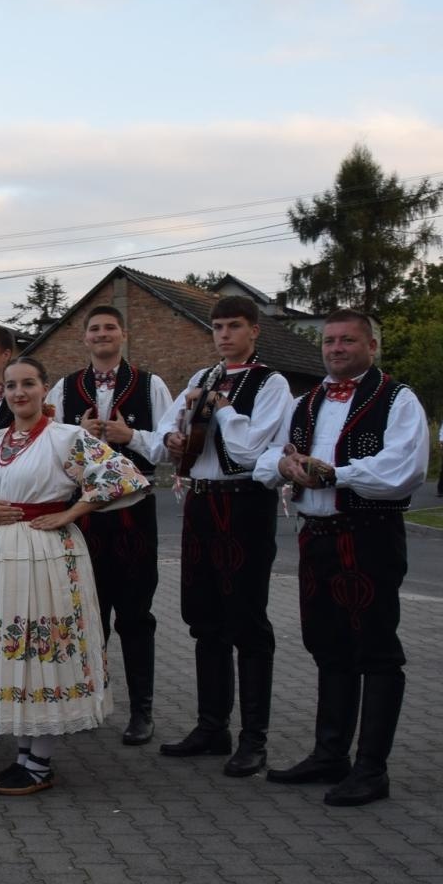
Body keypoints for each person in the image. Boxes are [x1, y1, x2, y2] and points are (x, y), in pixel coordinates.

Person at [255, 309, 428, 806]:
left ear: (371, 346)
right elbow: (265, 457)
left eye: (347, 341)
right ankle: (331, 754)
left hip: (370, 532)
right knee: (327, 644)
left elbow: (405, 467)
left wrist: (336, 474)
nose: (335, 349)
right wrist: (285, 463)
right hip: (318, 535)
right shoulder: (305, 400)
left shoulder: (398, 398)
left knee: (374, 647)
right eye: (329, 341)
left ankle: (373, 769)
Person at [0, 357, 149, 795]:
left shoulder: (67, 438)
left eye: (28, 384)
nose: (19, 393)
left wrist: (71, 511)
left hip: (45, 551)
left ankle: (39, 761)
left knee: (39, 649)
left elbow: (124, 477)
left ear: (45, 390)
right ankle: (23, 754)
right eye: (11, 386)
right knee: (12, 649)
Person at [155, 296, 293, 778]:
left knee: (247, 621)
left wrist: (222, 407)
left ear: (254, 331)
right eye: (217, 327)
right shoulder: (201, 378)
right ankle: (212, 727)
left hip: (244, 503)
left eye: (234, 326)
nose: (224, 334)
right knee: (204, 618)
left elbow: (251, 446)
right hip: (201, 500)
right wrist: (173, 437)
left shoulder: (271, 382)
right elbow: (162, 436)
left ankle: (254, 739)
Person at [45, 305, 172, 746]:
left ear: (123, 335)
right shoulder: (65, 387)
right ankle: (89, 702)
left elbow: (167, 448)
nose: (102, 335)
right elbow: (51, 447)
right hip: (85, 516)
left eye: (109, 328)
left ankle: (142, 712)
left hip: (134, 514)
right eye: (94, 329)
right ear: (84, 339)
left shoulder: (151, 383)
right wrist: (76, 435)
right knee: (87, 613)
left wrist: (130, 437)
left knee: (136, 615)